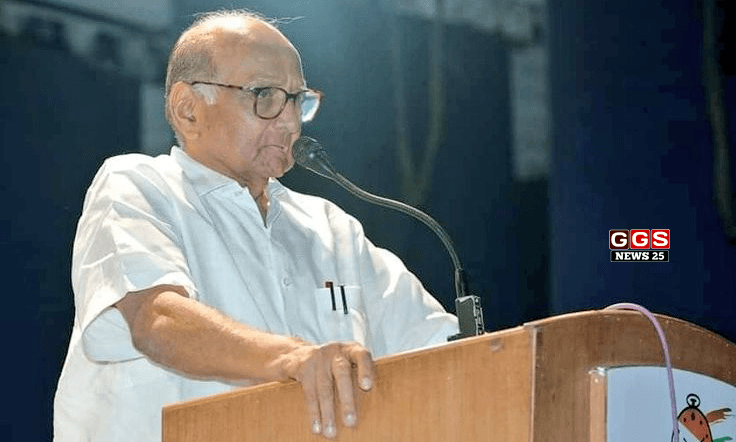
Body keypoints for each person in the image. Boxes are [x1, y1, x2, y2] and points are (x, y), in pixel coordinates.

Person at [53, 9, 458, 442]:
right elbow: (157, 318)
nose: (291, 122)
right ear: (188, 109)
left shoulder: (331, 229)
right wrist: (292, 358)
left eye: (298, 100)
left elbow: (443, 348)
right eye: (265, 95)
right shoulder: (139, 185)